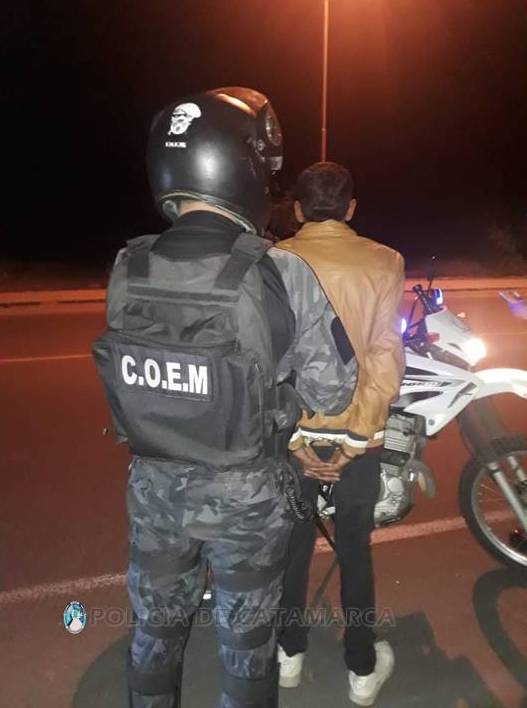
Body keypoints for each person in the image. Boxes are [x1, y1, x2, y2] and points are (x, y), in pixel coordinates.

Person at [93, 90, 358, 708]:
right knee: (246, 649)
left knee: (154, 634)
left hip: (154, 491)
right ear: (242, 168)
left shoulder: (129, 266)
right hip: (247, 500)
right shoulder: (280, 272)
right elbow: (334, 390)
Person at [276, 161, 405, 707]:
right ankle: (360, 670)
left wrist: (294, 441)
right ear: (351, 208)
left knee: (291, 545)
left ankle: (288, 655)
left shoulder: (271, 260)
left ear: (297, 209)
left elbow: (263, 362)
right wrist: (355, 440)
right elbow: (383, 357)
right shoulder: (384, 261)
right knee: (354, 547)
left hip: (292, 434)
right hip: (360, 435)